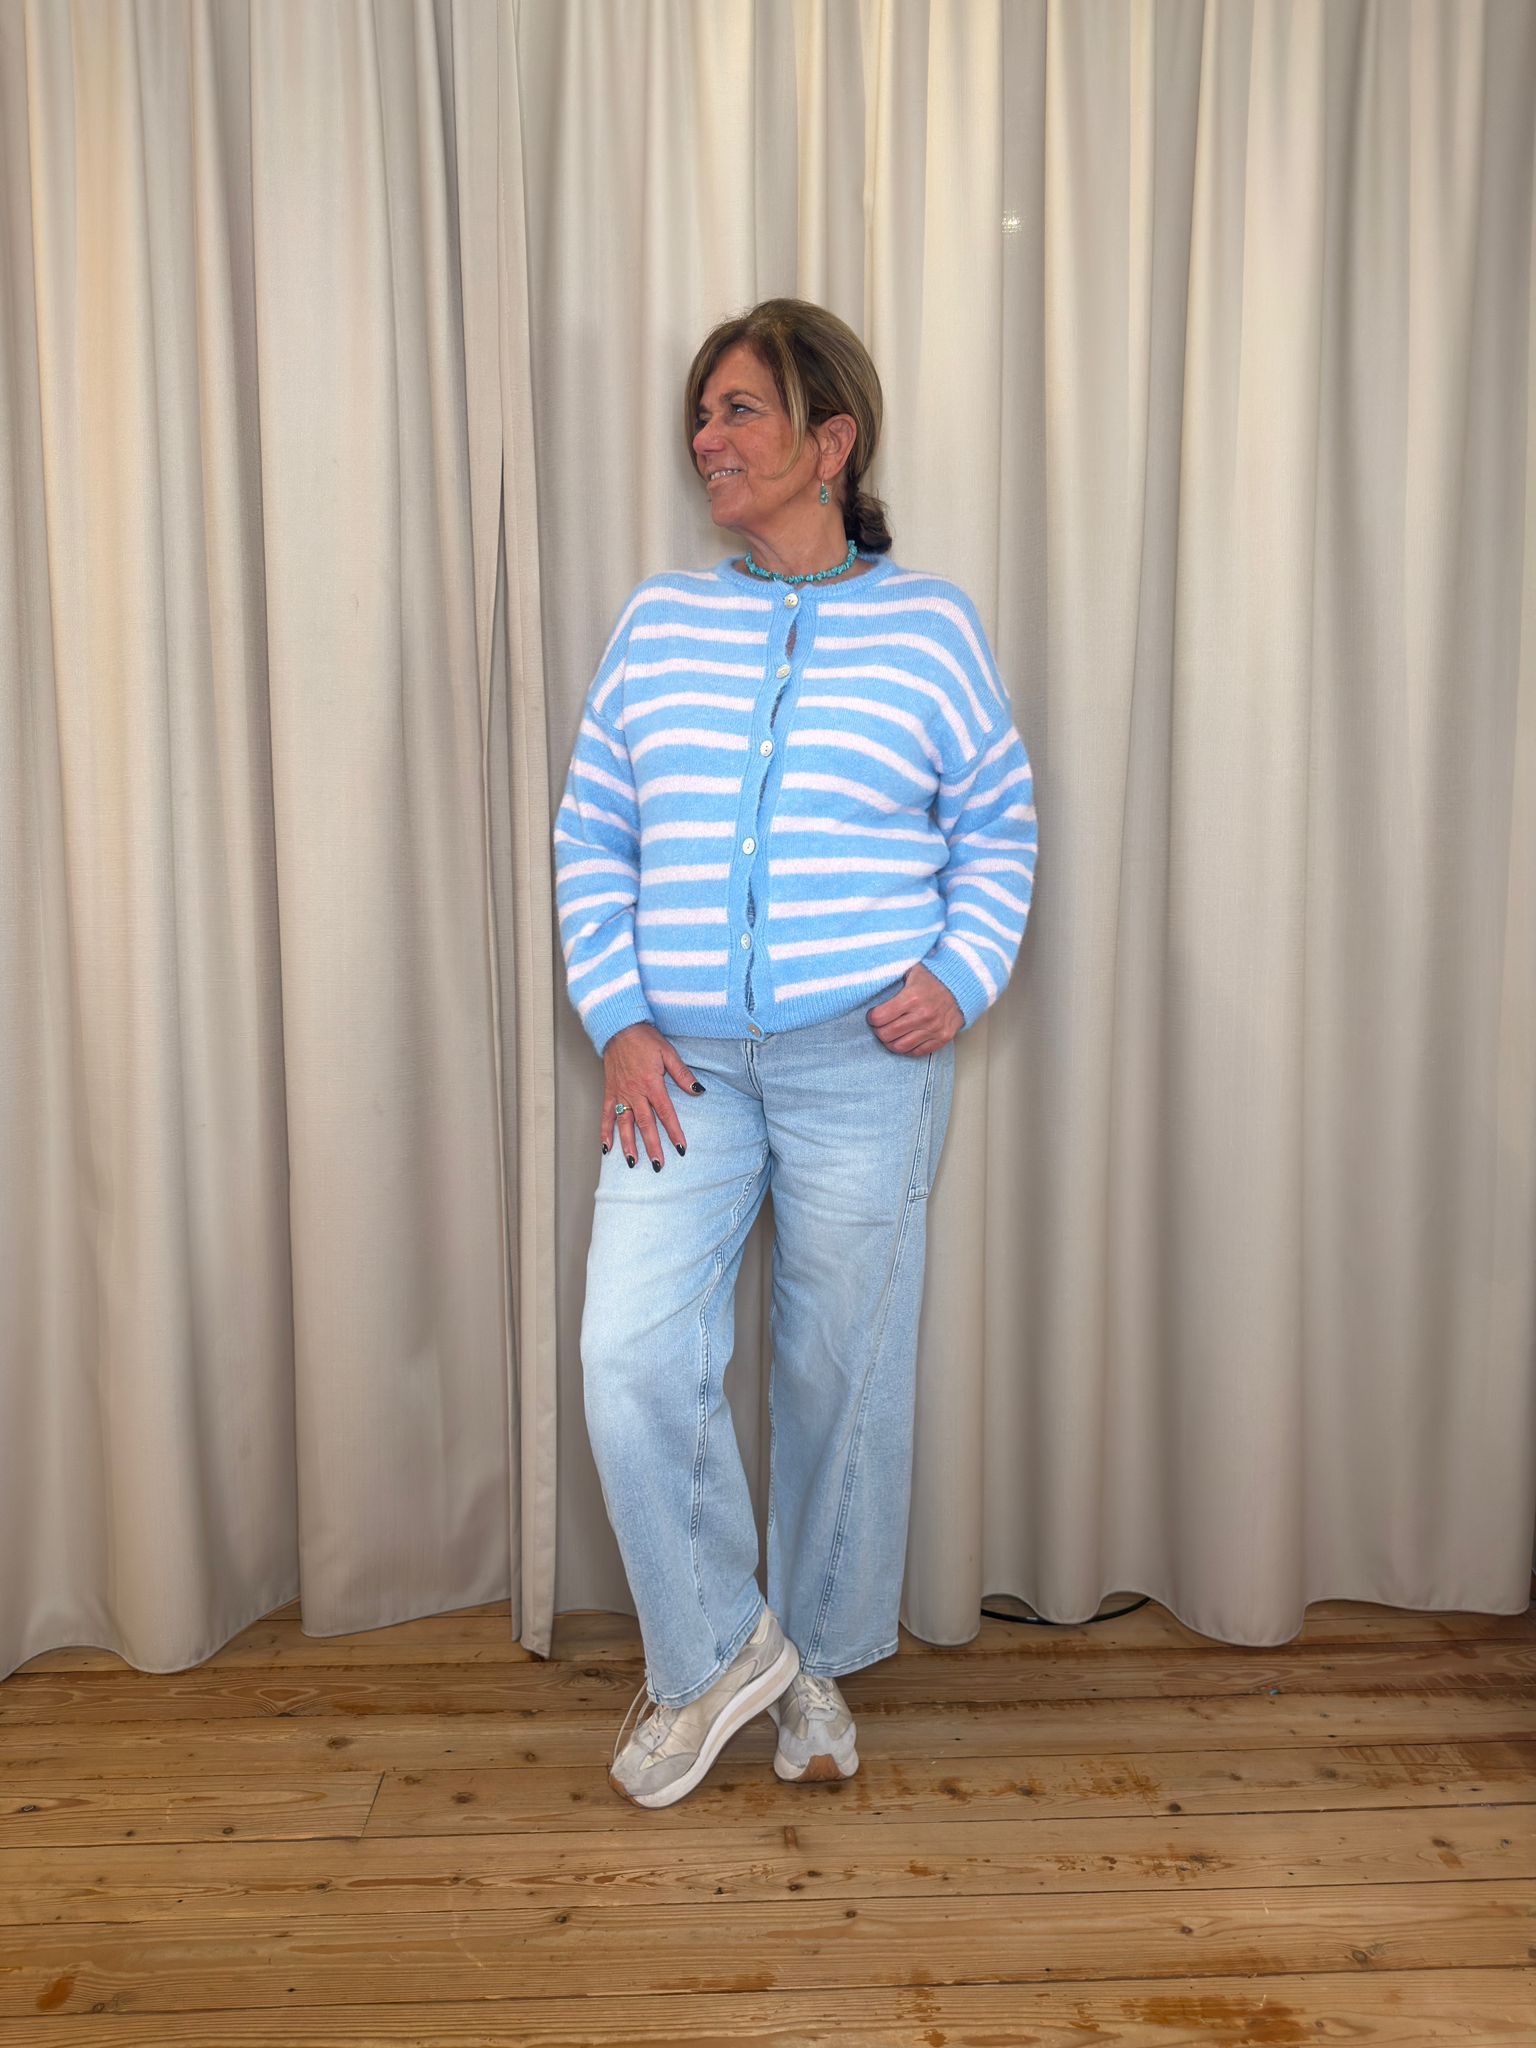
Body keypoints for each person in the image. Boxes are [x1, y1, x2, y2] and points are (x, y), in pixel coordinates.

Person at [554, 299, 1036, 1809]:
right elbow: (593, 834)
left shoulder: (932, 628)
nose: (708, 437)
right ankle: (716, 1655)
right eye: (702, 413)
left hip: (861, 1063)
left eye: (739, 409)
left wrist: (961, 973)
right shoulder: (657, 624)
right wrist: (618, 1018)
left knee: (842, 1371)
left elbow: (998, 825)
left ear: (833, 440)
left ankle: (815, 1661)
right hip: (680, 1067)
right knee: (631, 1354)